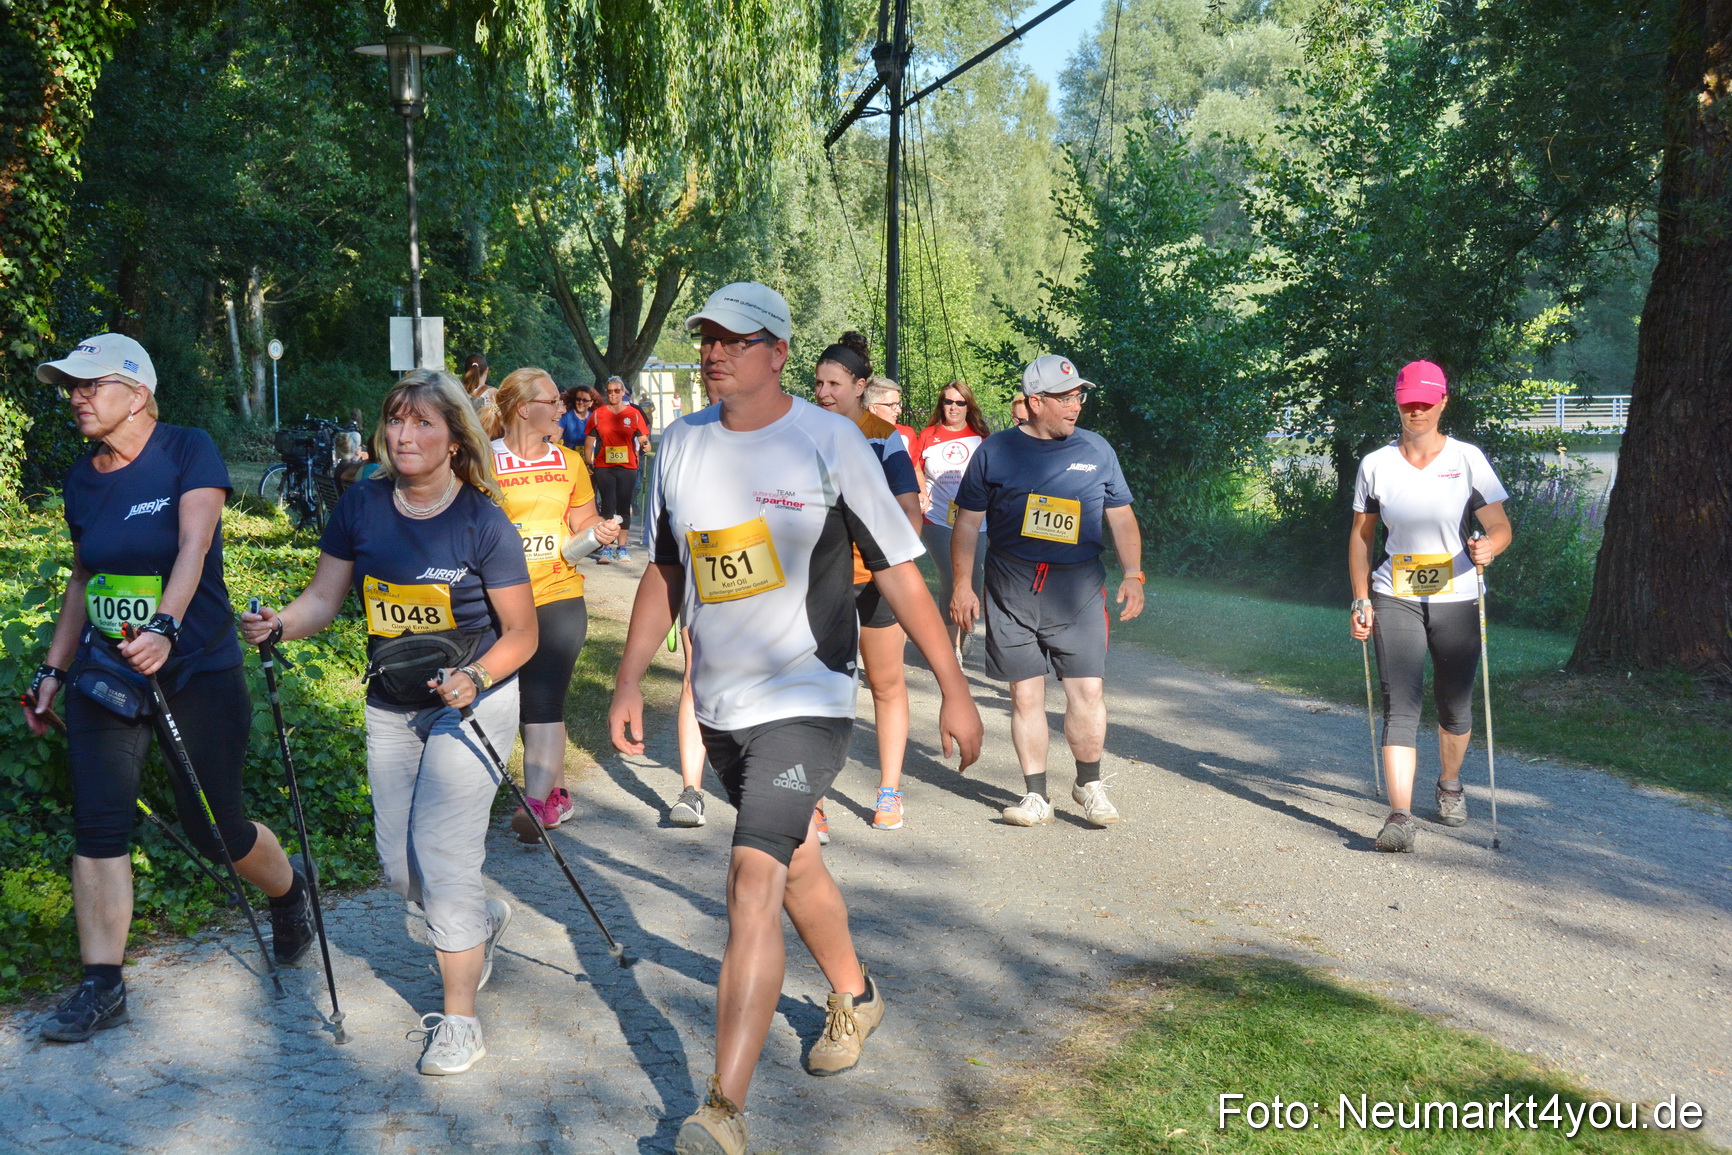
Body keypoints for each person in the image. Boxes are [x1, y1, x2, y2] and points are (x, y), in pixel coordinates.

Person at [610, 282, 982, 1155]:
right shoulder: (678, 445)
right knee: (797, 861)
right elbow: (667, 570)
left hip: (809, 697)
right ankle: (855, 991)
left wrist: (953, 687)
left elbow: (894, 567)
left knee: (751, 879)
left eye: (734, 340)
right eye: (705, 338)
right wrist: (631, 679)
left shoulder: (830, 441)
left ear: (777, 352)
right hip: (724, 706)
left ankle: (723, 1109)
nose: (713, 352)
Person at [241, 369, 537, 1076]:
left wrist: (475, 677)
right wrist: (281, 623)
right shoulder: (362, 507)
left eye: (423, 423)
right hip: (393, 702)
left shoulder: (482, 521)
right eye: (396, 421)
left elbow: (521, 633)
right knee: (402, 869)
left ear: (455, 437)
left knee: (443, 855)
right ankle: (480, 920)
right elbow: (321, 598)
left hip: (473, 700)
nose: (405, 435)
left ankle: (460, 1018)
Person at [22, 333, 313, 1043]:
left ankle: (289, 888)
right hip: (107, 670)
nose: (77, 396)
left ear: (138, 392)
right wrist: (53, 671)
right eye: (70, 386)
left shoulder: (188, 449)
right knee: (98, 823)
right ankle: (102, 984)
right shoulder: (82, 476)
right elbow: (84, 577)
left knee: (217, 831)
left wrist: (165, 627)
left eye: (90, 383)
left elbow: (193, 544)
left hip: (196, 665)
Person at [950, 354, 1145, 828]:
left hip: (1077, 587)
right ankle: (1036, 796)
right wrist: (961, 584)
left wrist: (1134, 574)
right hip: (1011, 585)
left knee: (1087, 692)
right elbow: (968, 524)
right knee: (1025, 696)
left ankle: (1089, 784)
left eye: (1078, 395)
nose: (1075, 406)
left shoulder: (1097, 450)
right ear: (1035, 402)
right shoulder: (996, 451)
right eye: (1064, 398)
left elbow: (1121, 517)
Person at [1348, 360, 1511, 852]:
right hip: (1394, 594)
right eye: (1407, 401)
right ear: (1396, 402)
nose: (1416, 409)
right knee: (1401, 704)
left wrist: (1491, 547)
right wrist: (1360, 595)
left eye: (1425, 400)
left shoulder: (1467, 460)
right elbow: (1361, 538)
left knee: (1454, 705)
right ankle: (1399, 817)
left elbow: (1501, 526)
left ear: (1443, 402)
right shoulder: (1376, 464)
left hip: (1457, 596)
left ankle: (1450, 783)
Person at [486, 367, 620, 839]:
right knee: (507, 702)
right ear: (524, 408)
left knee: (542, 699)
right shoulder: (483, 461)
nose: (562, 408)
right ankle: (557, 795)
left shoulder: (570, 462)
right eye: (552, 401)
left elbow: (582, 525)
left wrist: (597, 534)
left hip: (559, 592)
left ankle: (536, 802)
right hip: (497, 601)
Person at [813, 339, 923, 833]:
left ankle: (889, 791)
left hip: (873, 581)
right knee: (818, 688)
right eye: (817, 383)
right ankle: (811, 798)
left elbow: (910, 511)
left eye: (834, 384)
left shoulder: (884, 437)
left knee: (885, 683)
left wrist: (888, 564)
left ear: (861, 387)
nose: (823, 393)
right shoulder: (800, 431)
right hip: (819, 584)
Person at [911, 380, 993, 653]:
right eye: (948, 401)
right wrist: (921, 492)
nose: (954, 407)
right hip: (937, 518)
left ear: (968, 406)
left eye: (960, 402)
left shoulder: (982, 437)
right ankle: (950, 647)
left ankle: (964, 628)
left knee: (974, 578)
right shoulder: (927, 435)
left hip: (975, 520)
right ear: (941, 404)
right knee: (951, 575)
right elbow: (915, 468)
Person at [586, 375, 651, 563]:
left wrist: (646, 446)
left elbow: (642, 438)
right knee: (607, 504)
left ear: (623, 392)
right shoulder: (599, 413)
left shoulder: (633, 414)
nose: (613, 394)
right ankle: (606, 547)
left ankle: (622, 547)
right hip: (604, 467)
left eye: (617, 391)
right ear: (606, 394)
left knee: (624, 506)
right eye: (610, 391)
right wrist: (588, 461)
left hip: (627, 466)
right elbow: (590, 440)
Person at [864, 378, 927, 508]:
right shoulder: (854, 435)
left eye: (899, 404)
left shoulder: (907, 433)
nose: (898, 410)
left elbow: (916, 469)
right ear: (873, 408)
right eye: (892, 405)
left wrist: (922, 492)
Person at [557, 386, 593, 452]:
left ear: (591, 403)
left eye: (585, 400)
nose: (581, 402)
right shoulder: (565, 417)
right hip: (570, 458)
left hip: (590, 460)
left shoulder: (595, 418)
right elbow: (555, 437)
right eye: (578, 399)